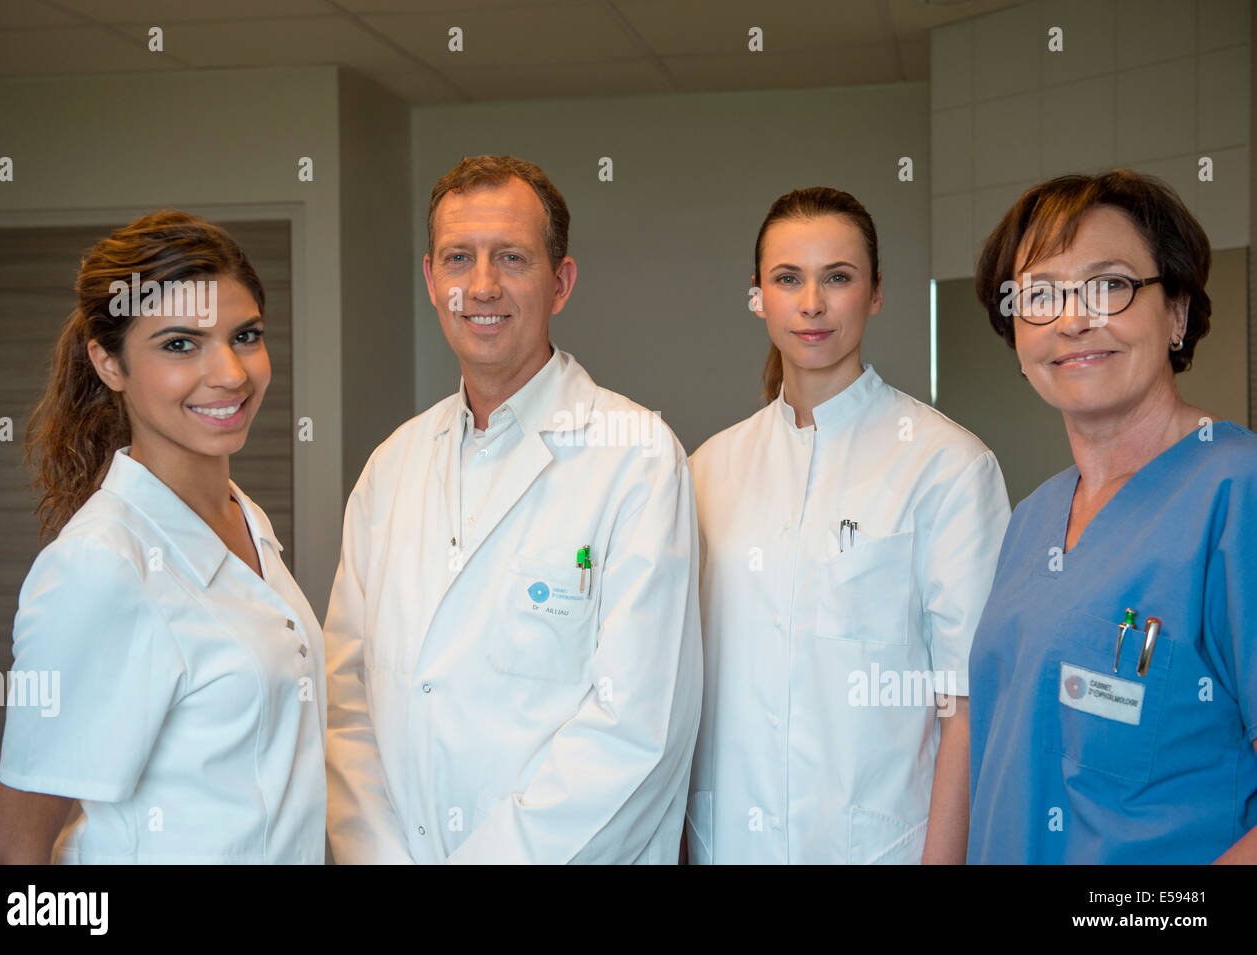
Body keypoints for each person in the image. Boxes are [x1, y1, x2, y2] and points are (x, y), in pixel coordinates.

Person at [323, 154, 702, 864]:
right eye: (459, 258)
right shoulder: (391, 469)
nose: (483, 285)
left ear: (560, 283)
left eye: (512, 258)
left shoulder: (637, 456)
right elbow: (348, 707)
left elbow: (639, 728)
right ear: (432, 280)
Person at [0, 211, 326, 864]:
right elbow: (11, 857)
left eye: (244, 335)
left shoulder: (244, 519)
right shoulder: (99, 566)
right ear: (109, 363)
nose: (230, 372)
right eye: (179, 344)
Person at [685, 187, 1010, 864]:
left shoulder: (948, 466)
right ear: (758, 296)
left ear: (877, 292)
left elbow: (970, 709)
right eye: (787, 279)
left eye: (837, 277)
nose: (811, 303)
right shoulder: (706, 470)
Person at [968, 169, 1257, 864]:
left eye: (1109, 286)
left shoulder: (1236, 493)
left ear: (1178, 312)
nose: (1072, 319)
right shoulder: (1032, 521)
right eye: (1039, 295)